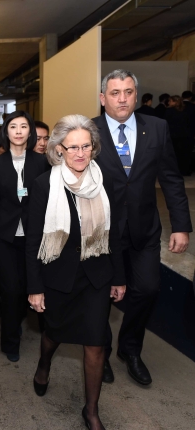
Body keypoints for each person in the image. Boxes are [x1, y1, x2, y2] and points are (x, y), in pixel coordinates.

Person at [27, 114, 126, 430]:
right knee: (54, 334)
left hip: (96, 275)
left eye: (86, 146)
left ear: (93, 147)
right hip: (59, 276)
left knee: (96, 342)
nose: (80, 153)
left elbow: (113, 233)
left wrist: (119, 277)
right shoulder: (44, 185)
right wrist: (35, 287)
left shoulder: (104, 180)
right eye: (73, 147)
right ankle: (44, 364)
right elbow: (33, 240)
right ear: (59, 149)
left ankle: (91, 411)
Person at [94, 69, 191, 386]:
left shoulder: (157, 128)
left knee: (148, 289)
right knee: (101, 296)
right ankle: (100, 351)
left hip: (145, 228)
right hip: (102, 232)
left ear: (136, 95)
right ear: (103, 98)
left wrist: (181, 226)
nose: (122, 99)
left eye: (128, 92)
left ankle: (130, 348)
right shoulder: (89, 131)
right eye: (115, 93)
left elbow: (171, 179)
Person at [0, 111, 49, 361]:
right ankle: (10, 342)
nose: (19, 131)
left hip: (37, 238)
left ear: (30, 131)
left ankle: (48, 338)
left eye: (24, 126)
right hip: (6, 239)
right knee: (11, 291)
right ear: (6, 131)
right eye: (13, 126)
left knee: (36, 287)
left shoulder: (41, 162)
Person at [166, 95, 192, 175]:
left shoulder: (169, 111)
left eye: (170, 101)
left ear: (174, 102)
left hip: (173, 136)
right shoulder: (185, 111)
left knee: (173, 154)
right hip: (184, 135)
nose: (168, 103)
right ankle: (184, 170)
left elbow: (165, 123)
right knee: (183, 154)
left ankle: (174, 171)